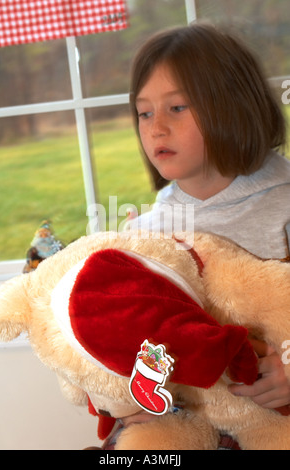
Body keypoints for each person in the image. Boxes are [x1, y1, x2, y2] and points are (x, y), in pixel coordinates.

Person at [124, 22, 290, 432]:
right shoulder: (146, 233)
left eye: (176, 107)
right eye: (145, 113)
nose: (155, 127)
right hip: (190, 428)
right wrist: (132, 391)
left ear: (233, 105)